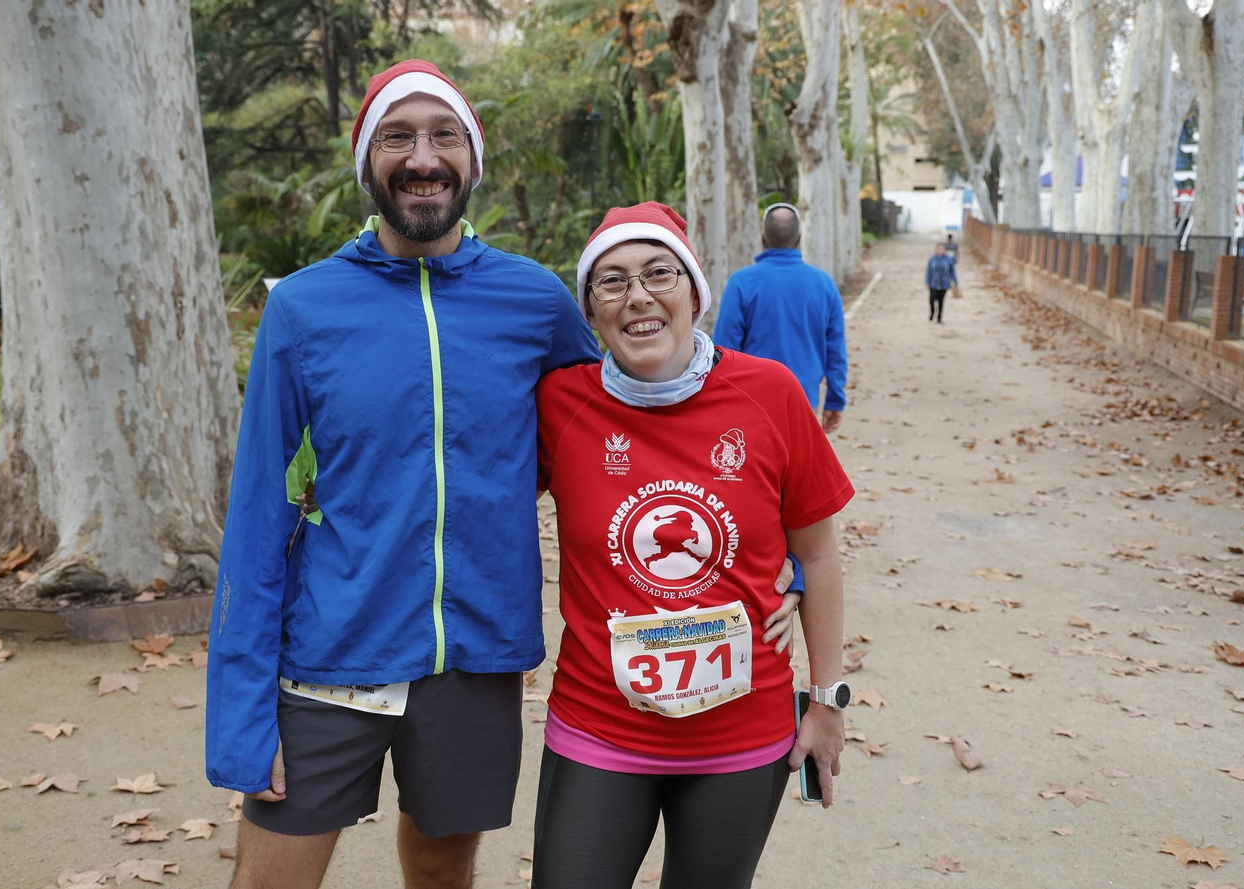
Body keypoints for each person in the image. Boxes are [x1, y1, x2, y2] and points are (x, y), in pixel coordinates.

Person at [204, 61, 804, 889]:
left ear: (472, 160)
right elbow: (258, 516)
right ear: (369, 163)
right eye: (399, 138)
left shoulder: (534, 300)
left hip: (477, 665)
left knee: (444, 870)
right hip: (330, 652)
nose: (423, 157)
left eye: (444, 135)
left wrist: (784, 557)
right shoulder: (303, 309)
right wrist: (240, 711)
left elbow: (644, 426)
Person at [532, 202, 854, 889]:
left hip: (741, 736)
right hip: (599, 726)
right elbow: (472, 503)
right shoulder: (560, 403)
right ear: (590, 309)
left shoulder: (769, 392)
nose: (639, 296)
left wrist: (827, 701)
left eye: (659, 273)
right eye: (612, 282)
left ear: (696, 292)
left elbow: (821, 554)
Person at [713, 203, 847, 434]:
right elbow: (836, 349)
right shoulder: (823, 283)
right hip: (805, 401)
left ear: (763, 238)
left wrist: (722, 404)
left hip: (752, 402)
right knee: (799, 468)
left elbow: (724, 350)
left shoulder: (741, 282)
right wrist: (835, 400)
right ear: (800, 238)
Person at [926, 241, 958, 324]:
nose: (941, 250)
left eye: (942, 249)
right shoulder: (932, 259)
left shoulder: (948, 259)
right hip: (934, 282)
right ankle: (932, 312)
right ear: (936, 249)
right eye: (939, 248)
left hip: (944, 283)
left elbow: (952, 271)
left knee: (941, 301)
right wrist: (927, 281)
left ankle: (939, 317)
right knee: (932, 299)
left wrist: (956, 282)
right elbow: (929, 271)